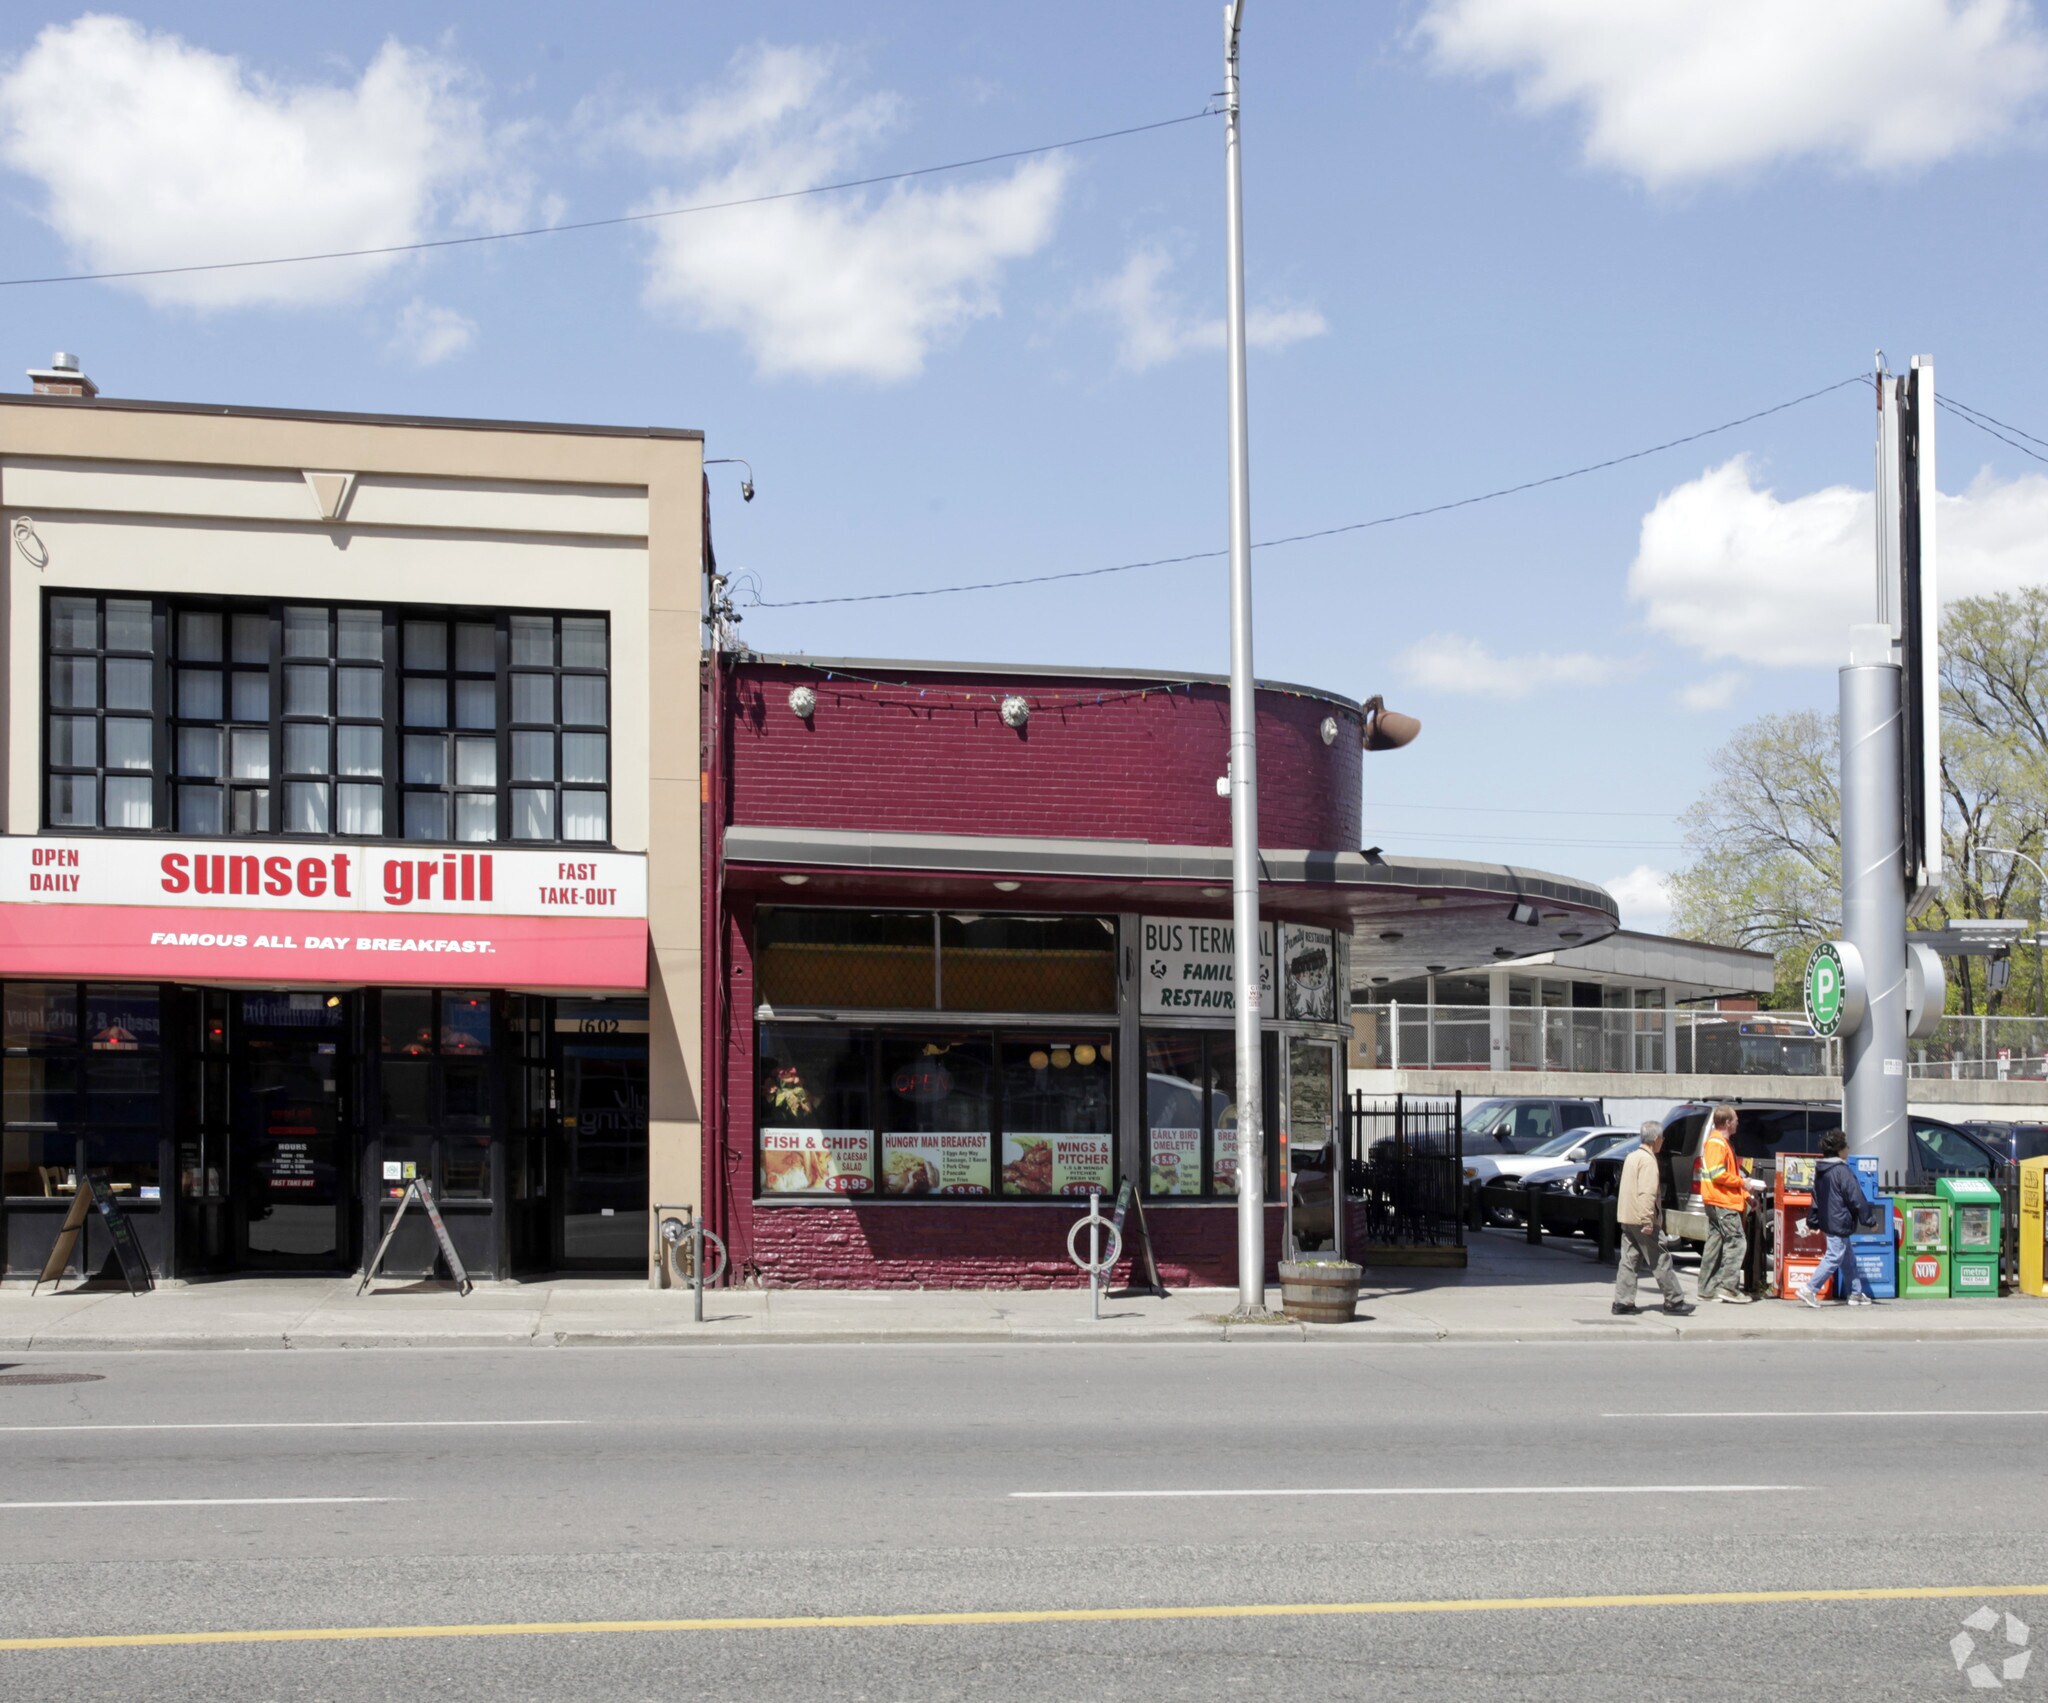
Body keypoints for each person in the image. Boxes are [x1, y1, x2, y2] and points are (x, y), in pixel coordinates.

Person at [1613, 1120, 1693, 1317]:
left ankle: (1622, 1301)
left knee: (1629, 1260)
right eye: (1662, 1138)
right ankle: (1674, 1300)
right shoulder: (1648, 1161)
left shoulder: (1631, 1156)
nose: (1663, 1142)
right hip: (1642, 1219)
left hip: (1628, 1217)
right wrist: (1648, 1220)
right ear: (1656, 1139)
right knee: (1661, 1259)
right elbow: (1647, 1193)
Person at [1797, 1130, 1878, 1307]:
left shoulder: (1821, 1170)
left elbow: (1816, 1198)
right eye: (1846, 1147)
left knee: (1848, 1258)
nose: (1848, 1150)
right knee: (1834, 1257)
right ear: (1840, 1150)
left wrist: (1813, 1221)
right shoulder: (1842, 1171)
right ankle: (1810, 1289)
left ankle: (1855, 1293)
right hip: (1840, 1220)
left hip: (1829, 1221)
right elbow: (1856, 1196)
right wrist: (1870, 1220)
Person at [1696, 1105, 1764, 1303]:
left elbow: (1727, 1175)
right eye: (1735, 1119)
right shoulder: (1718, 1143)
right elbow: (1718, 1175)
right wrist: (1744, 1184)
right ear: (1727, 1123)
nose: (1737, 1123)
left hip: (1719, 1199)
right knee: (1736, 1241)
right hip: (1722, 1201)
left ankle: (1707, 1289)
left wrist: (1745, 1195)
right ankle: (1728, 1288)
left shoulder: (1721, 1143)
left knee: (1715, 1243)